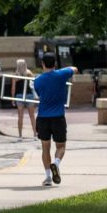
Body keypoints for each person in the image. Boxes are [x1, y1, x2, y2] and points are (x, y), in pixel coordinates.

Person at [32, 53, 77, 187]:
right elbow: (75, 69)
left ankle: (48, 177)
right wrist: (63, 70)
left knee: (45, 148)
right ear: (55, 64)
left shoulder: (37, 81)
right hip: (58, 117)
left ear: (43, 64)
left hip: (43, 117)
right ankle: (56, 164)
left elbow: (40, 95)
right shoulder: (61, 75)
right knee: (61, 146)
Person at [10, 58, 37, 138]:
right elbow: (34, 84)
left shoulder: (15, 75)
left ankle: (20, 135)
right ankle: (35, 135)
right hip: (29, 95)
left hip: (19, 96)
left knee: (20, 117)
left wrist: (12, 98)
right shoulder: (29, 73)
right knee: (32, 116)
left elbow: (13, 88)